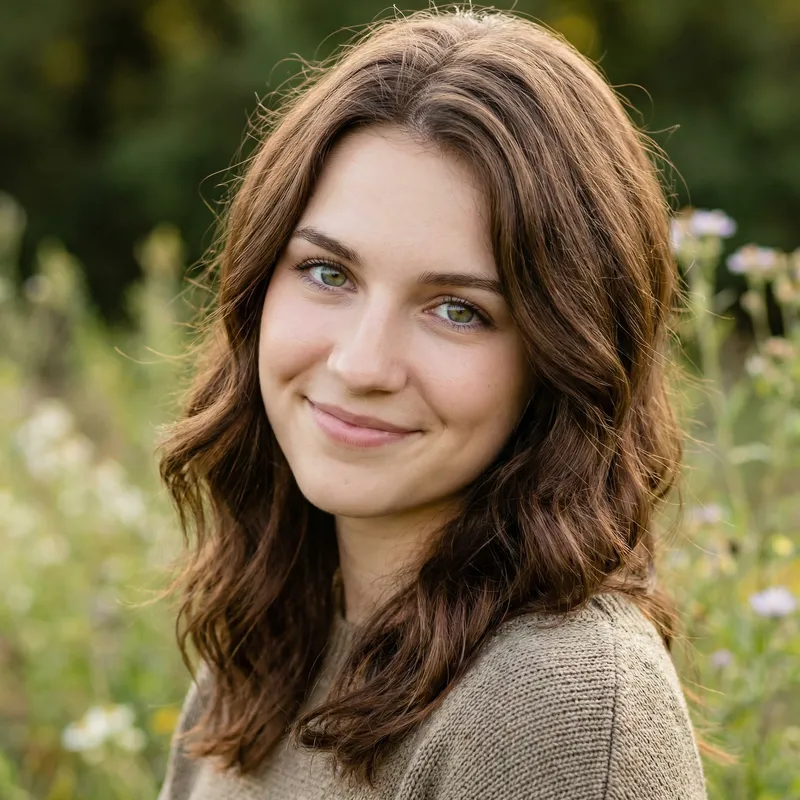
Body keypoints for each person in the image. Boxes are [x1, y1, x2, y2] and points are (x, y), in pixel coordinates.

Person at [155, 5, 712, 798]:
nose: (360, 362)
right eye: (328, 273)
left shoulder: (556, 701)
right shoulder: (267, 644)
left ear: (565, 358)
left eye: (458, 310)